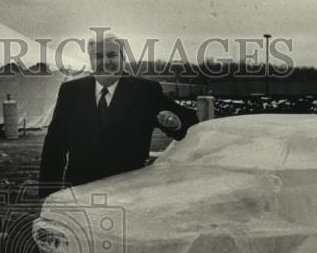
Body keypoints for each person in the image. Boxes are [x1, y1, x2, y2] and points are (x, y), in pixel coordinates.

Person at [38, 32, 198, 197]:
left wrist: (176, 122)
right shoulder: (71, 91)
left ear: (122, 58)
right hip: (81, 190)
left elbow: (191, 120)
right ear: (91, 60)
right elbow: (54, 146)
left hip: (129, 191)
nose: (106, 61)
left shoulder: (145, 91)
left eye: (112, 55)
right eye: (98, 56)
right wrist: (48, 194)